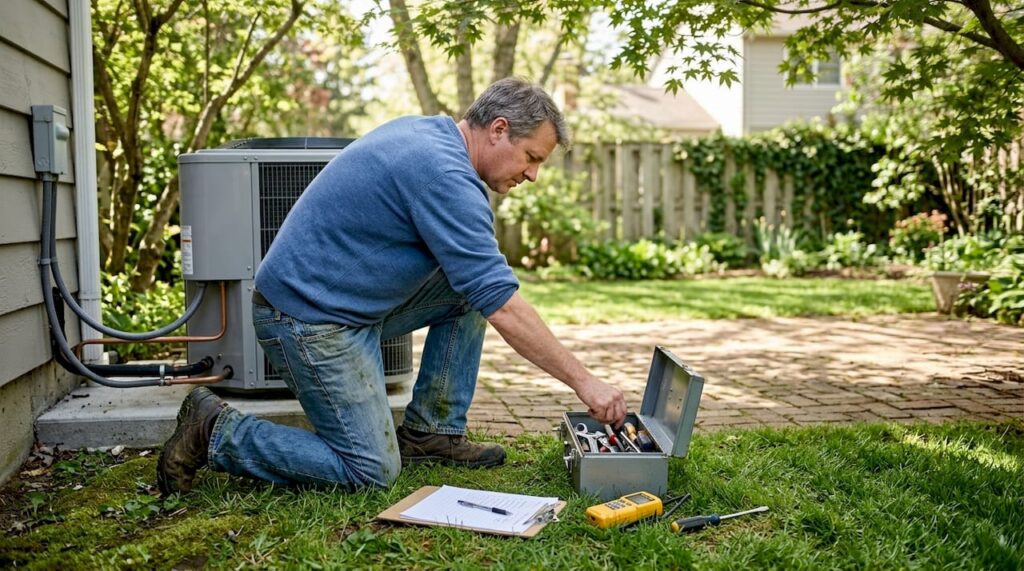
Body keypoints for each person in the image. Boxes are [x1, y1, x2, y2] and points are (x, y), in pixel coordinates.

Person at [157, 77, 626, 495]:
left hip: (339, 304)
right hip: (306, 320)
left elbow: (486, 286)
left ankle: (431, 432)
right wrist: (585, 382)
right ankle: (216, 429)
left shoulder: (433, 136)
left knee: (470, 290)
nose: (531, 174)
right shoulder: (444, 175)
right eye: (532, 158)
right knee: (370, 470)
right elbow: (504, 306)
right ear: (499, 129)